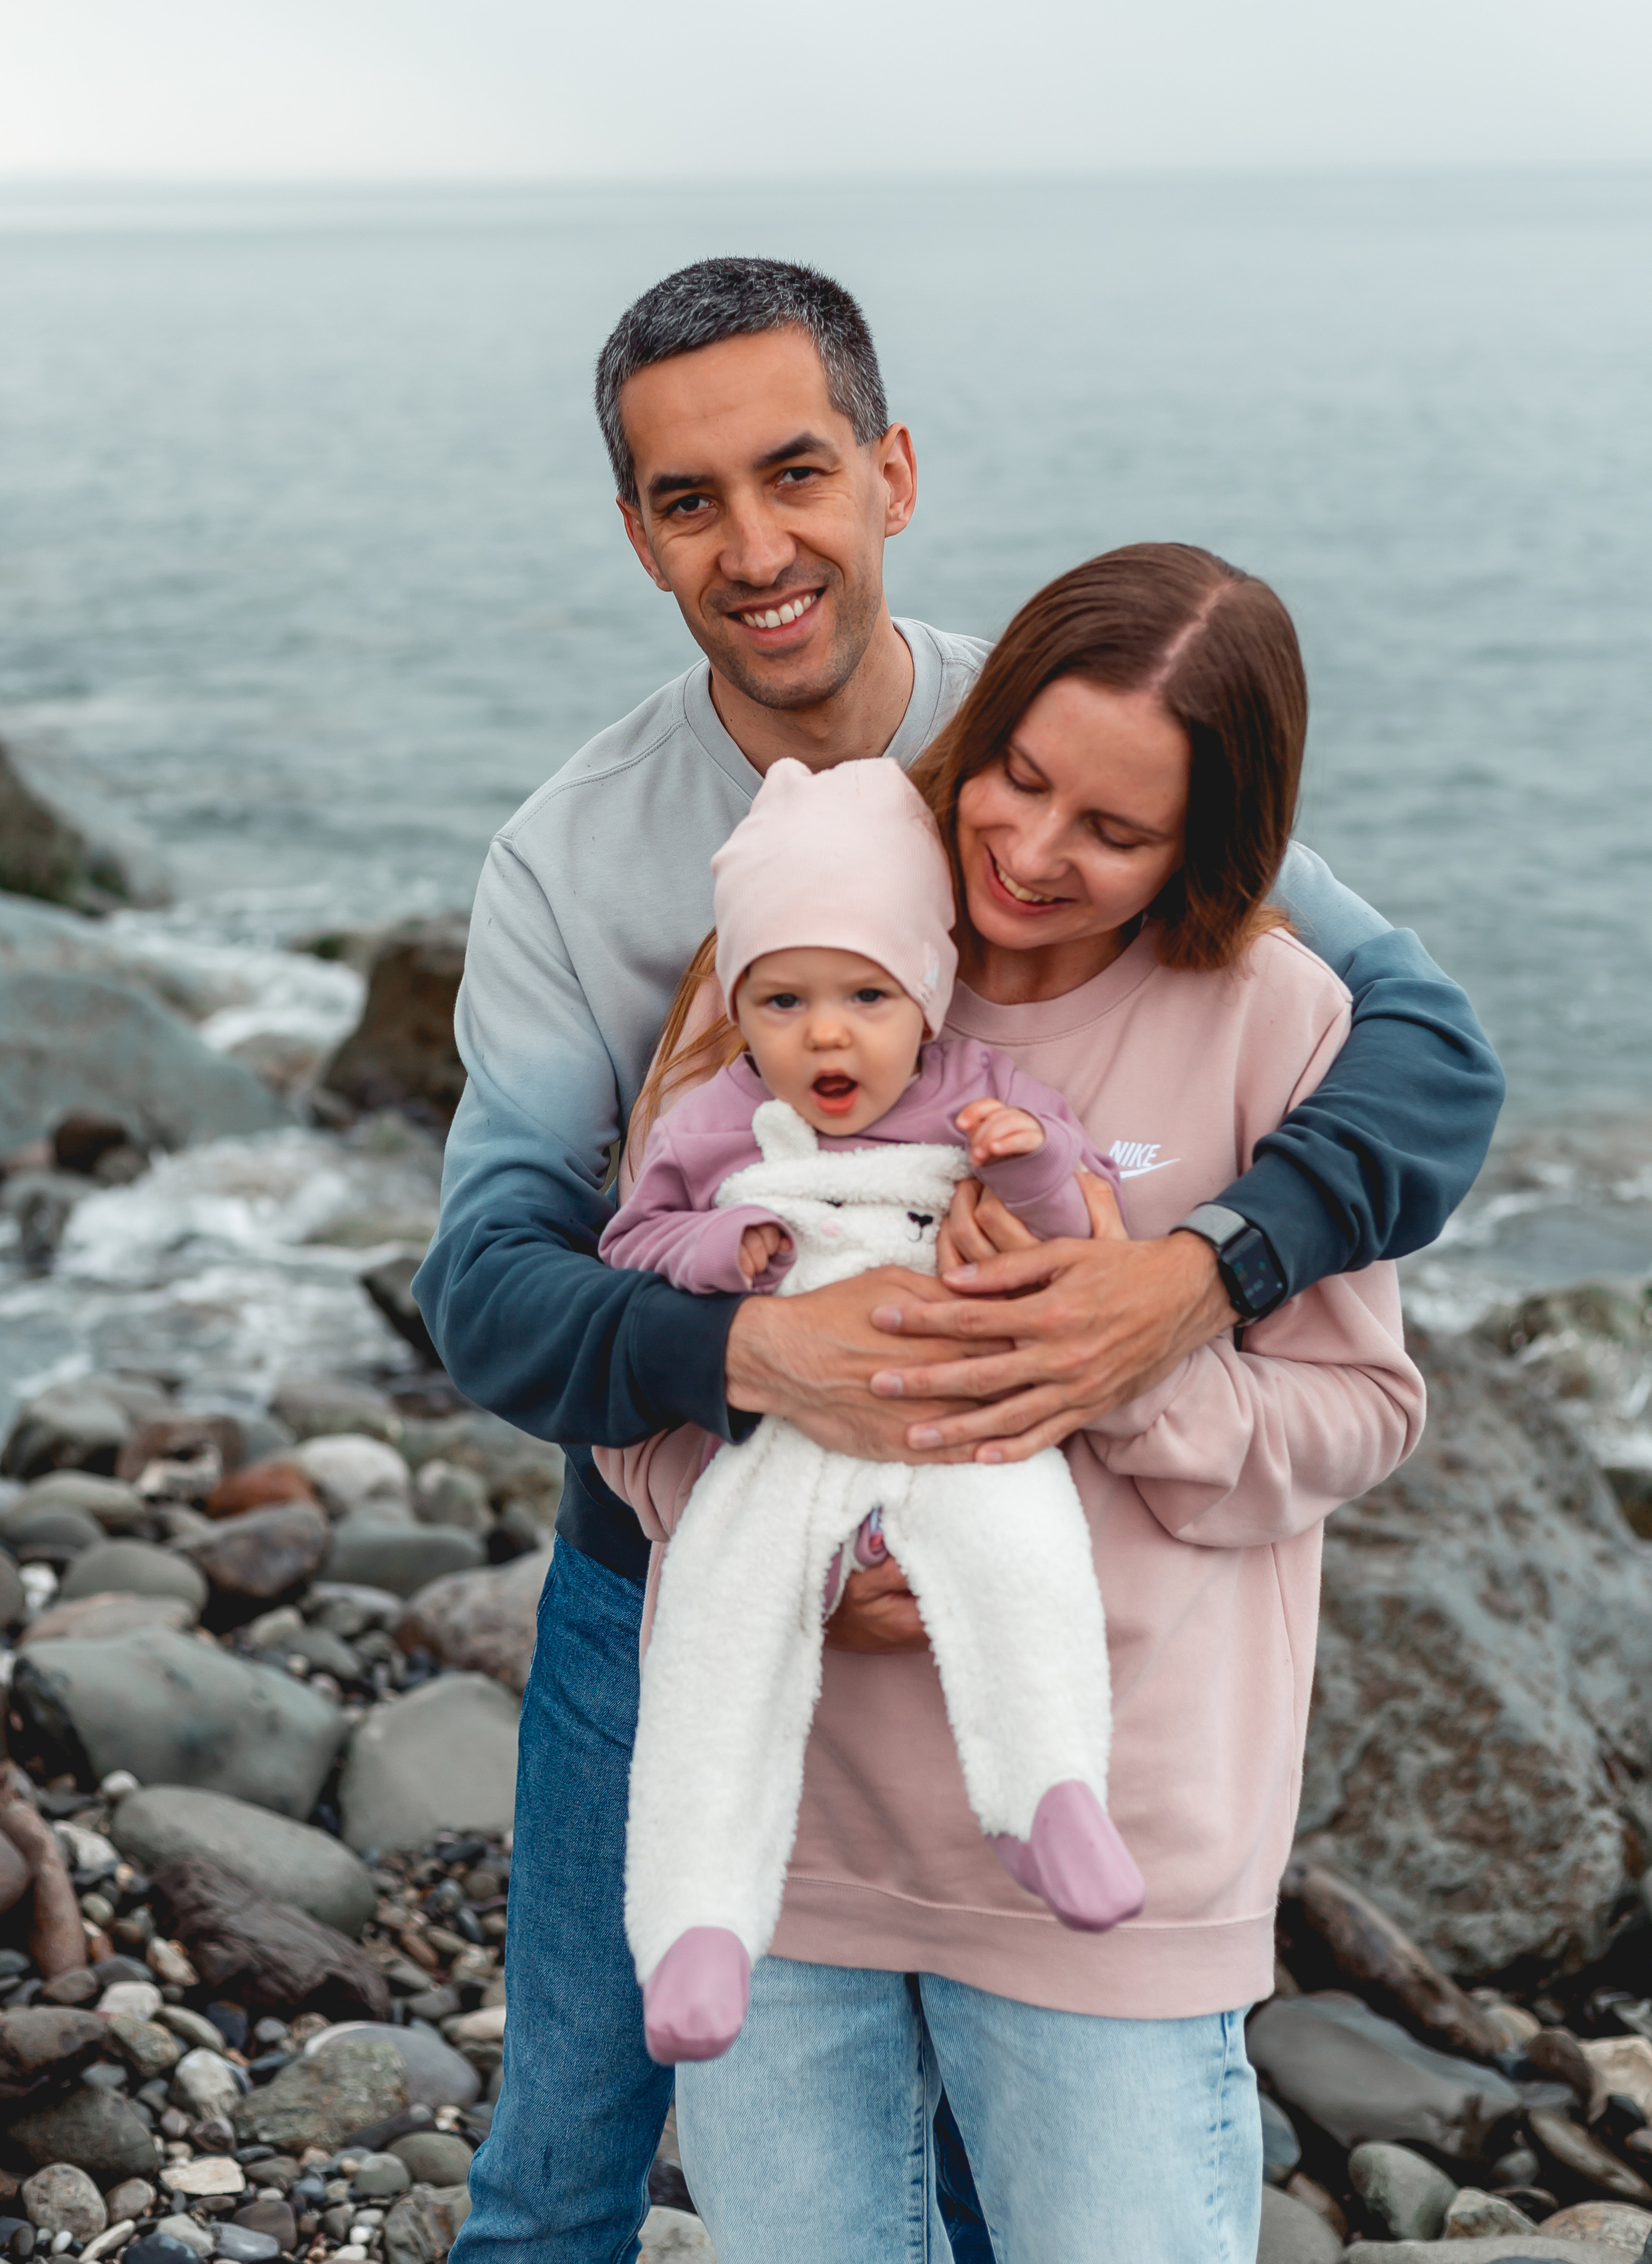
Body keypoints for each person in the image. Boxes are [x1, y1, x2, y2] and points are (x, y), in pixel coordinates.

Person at [414, 257, 1504, 2264]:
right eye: (688, 498)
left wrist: (1196, 1281)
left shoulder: (1057, 747)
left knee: (1023, 2166)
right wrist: (763, 1359)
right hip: (665, 1568)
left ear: (893, 471)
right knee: (565, 2150)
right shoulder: (582, 860)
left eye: (800, 472)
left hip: (1037, 1639)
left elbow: (1428, 1061)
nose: (760, 548)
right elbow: (490, 1290)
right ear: (636, 527)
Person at [628, 544, 1424, 2261]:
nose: (1033, 853)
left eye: (1116, 833)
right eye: (1019, 778)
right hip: (795, 1855)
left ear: (1210, 847)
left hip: (1117, 1864)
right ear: (972, 729)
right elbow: (637, 1371)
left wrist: (1128, 1364)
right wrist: (796, 1555)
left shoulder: (1273, 1016)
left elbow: (1360, 1409)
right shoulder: (803, 949)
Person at [600, 756, 1142, 2071]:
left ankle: (1047, 1792)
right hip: (792, 1427)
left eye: (862, 997)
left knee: (1027, 1555)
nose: (823, 1037)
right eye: (780, 1001)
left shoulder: (984, 1096)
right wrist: (722, 1260)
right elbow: (633, 1241)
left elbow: (1076, 1249)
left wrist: (1036, 1173)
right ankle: (695, 1925)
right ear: (741, 1010)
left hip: (958, 1413)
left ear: (926, 991)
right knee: (719, 1630)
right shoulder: (718, 1116)